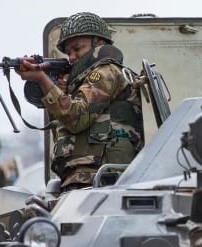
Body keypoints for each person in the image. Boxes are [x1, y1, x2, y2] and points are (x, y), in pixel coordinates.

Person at [16, 11, 144, 192]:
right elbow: (64, 128)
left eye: (77, 49)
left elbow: (76, 118)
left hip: (103, 179)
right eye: (69, 52)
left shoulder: (106, 72)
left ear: (99, 44)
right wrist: (63, 90)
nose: (72, 57)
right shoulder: (82, 81)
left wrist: (42, 79)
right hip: (84, 178)